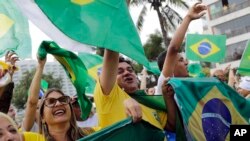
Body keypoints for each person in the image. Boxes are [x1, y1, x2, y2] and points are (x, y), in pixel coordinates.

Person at [157, 2, 207, 131]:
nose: (186, 63)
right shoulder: (165, 83)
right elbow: (173, 49)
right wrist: (188, 18)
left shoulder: (187, 85)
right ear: (169, 67)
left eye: (185, 60)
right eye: (180, 60)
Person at [94, 51, 168, 133]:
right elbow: (111, 54)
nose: (127, 73)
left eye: (130, 70)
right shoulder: (107, 97)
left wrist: (168, 96)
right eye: (120, 72)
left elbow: (172, 125)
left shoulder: (149, 102)